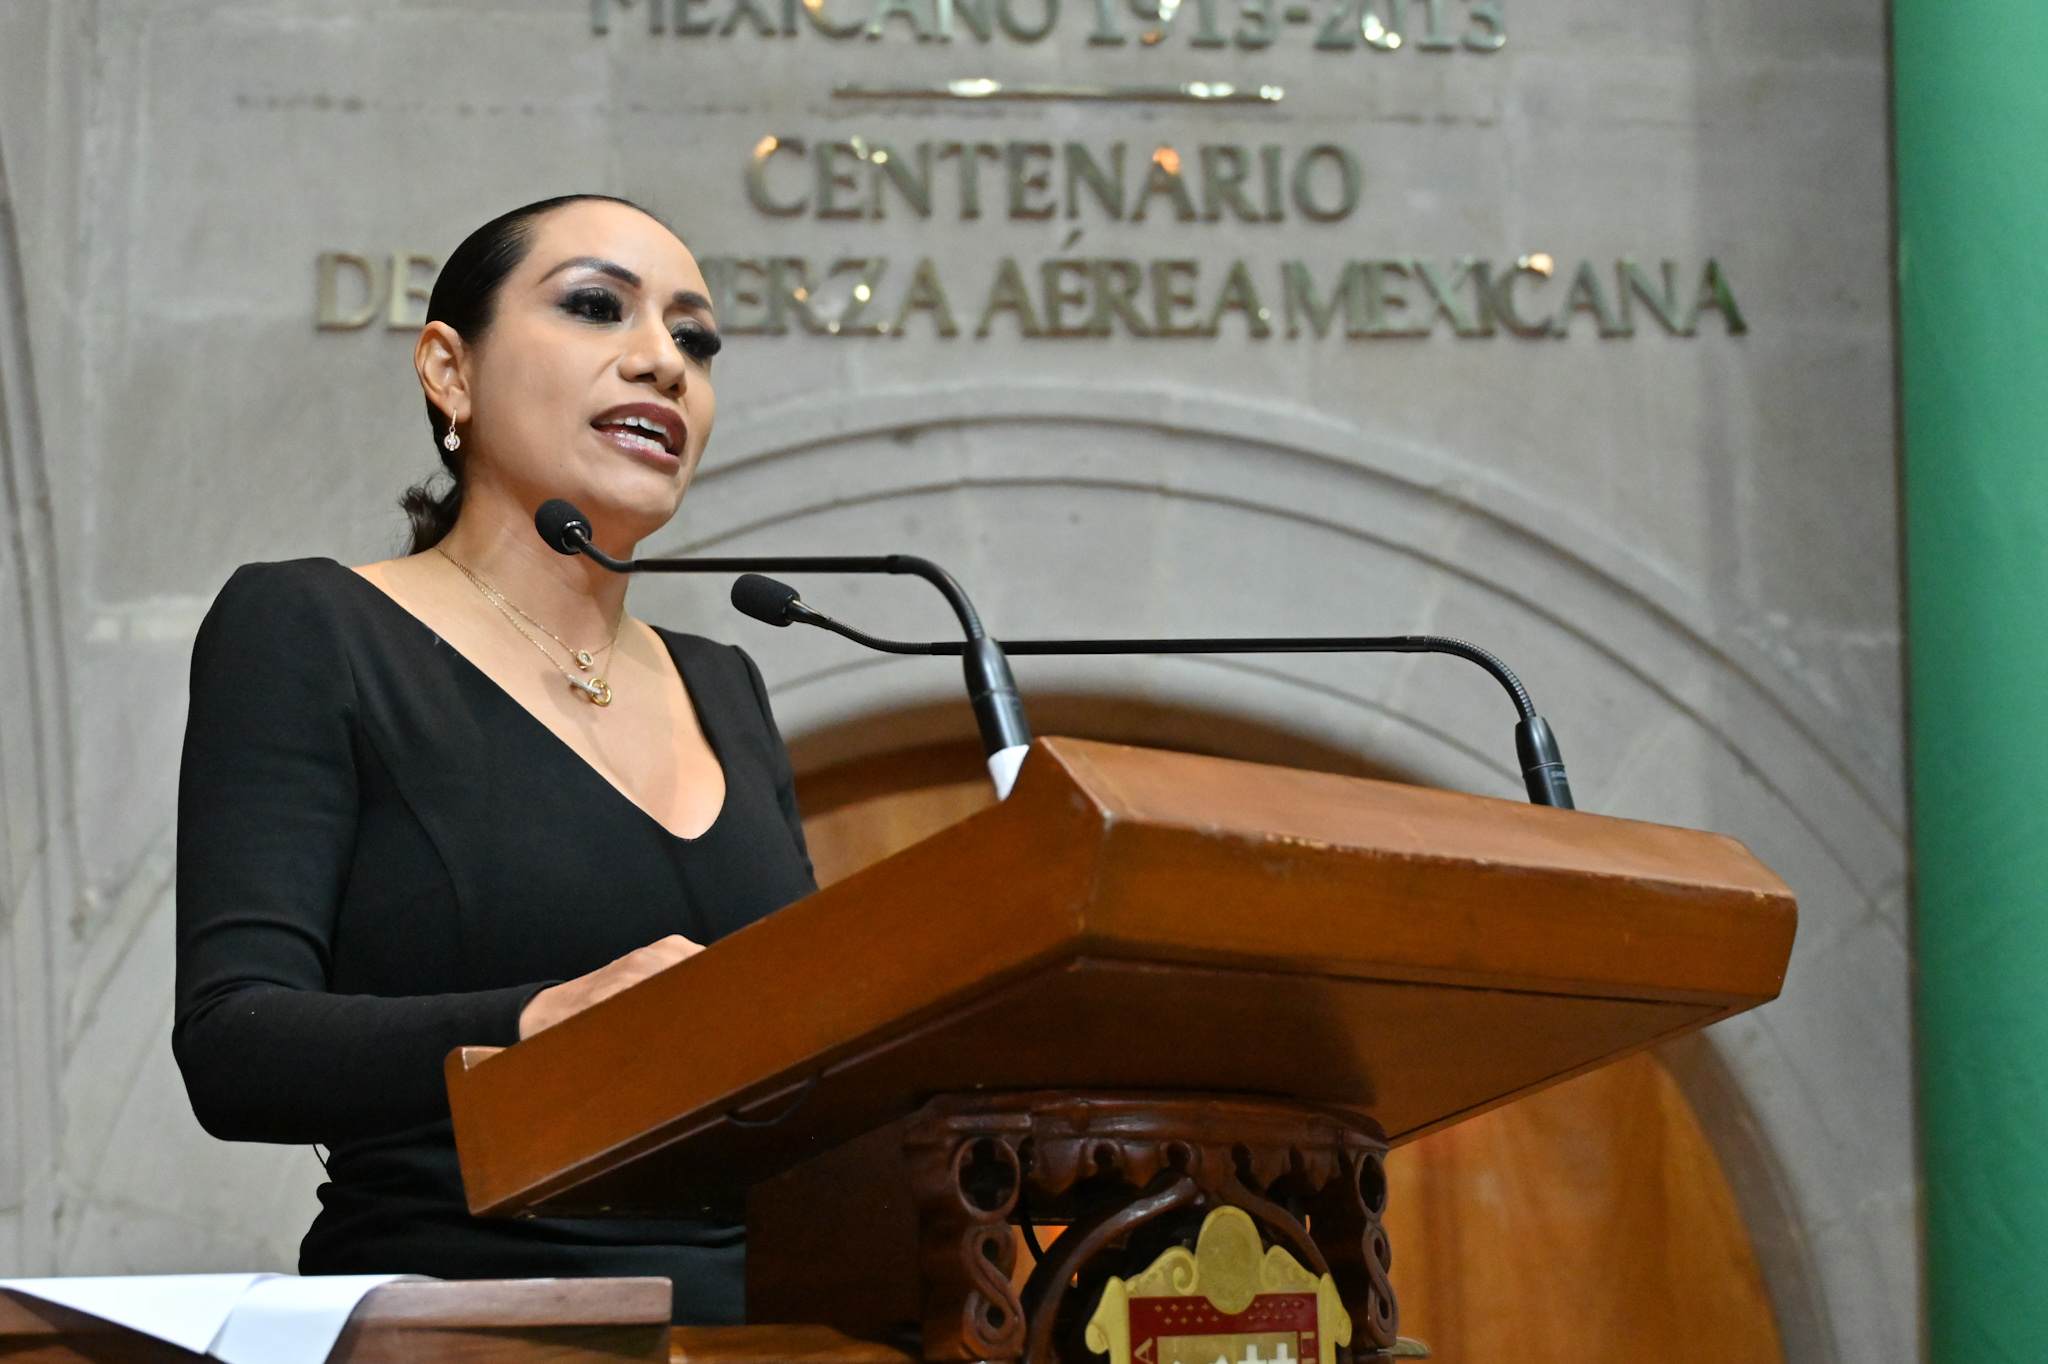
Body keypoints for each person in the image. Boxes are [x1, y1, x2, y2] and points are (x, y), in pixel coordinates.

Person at [172, 195, 816, 1323]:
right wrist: (536, 1024)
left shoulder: (725, 683)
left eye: (695, 338)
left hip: (777, 1332)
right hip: (467, 1317)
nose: (662, 361)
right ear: (448, 371)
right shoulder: (315, 627)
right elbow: (234, 1042)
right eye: (596, 307)